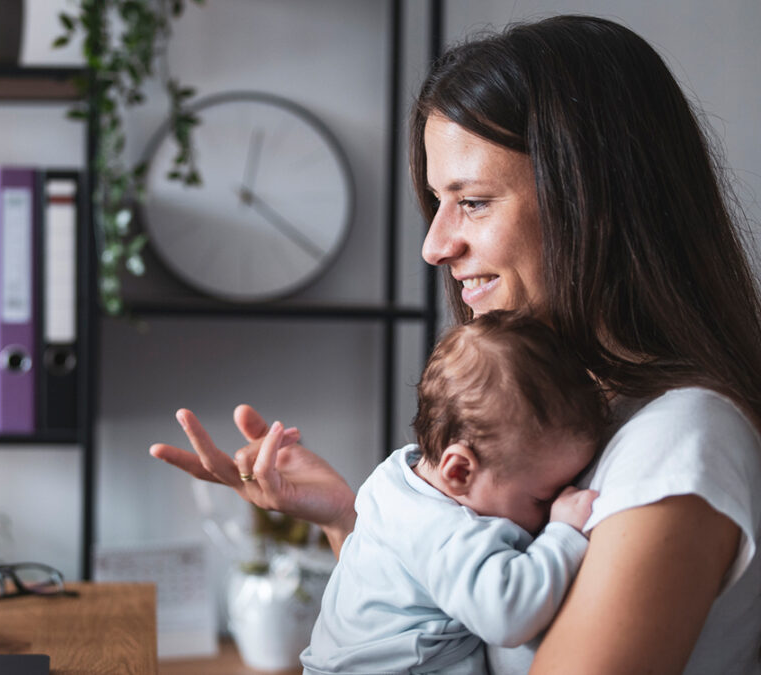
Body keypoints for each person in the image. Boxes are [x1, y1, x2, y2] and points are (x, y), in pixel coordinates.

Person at [150, 14, 761, 674]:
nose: (435, 245)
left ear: (589, 200)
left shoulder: (678, 443)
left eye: (470, 202)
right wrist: (348, 518)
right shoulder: (573, 409)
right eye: (437, 202)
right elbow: (446, 625)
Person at [301, 311, 604, 674]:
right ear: (459, 470)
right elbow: (508, 615)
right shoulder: (442, 530)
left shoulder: (395, 478)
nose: (553, 506)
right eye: (541, 498)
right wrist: (564, 535)